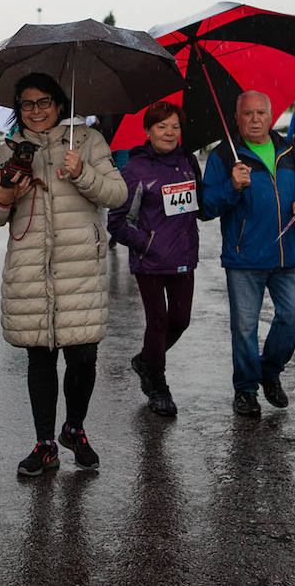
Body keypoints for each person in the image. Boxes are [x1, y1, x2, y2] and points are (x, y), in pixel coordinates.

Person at [0, 73, 127, 476]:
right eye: (27, 104)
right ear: (18, 109)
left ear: (59, 104)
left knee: (83, 356)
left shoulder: (88, 141)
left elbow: (117, 195)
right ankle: (44, 443)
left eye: (44, 102)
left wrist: (82, 172)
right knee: (40, 360)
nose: (37, 110)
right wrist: (8, 194)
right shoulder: (7, 150)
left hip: (80, 267)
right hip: (30, 269)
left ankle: (74, 429)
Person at [202, 90, 295, 418]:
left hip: (288, 253)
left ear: (272, 116)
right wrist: (232, 187)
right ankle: (246, 390)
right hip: (244, 257)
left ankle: (270, 370)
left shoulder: (290, 151)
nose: (255, 119)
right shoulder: (224, 156)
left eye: (261, 113)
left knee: (293, 315)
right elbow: (207, 207)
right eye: (248, 114)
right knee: (244, 327)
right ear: (236, 118)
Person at [106, 101, 201, 417]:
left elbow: (203, 207)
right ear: (148, 131)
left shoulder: (188, 161)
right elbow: (116, 221)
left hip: (183, 256)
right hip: (150, 260)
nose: (170, 132)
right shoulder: (135, 168)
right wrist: (145, 244)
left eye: (175, 126)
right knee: (157, 322)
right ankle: (157, 386)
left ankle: (146, 359)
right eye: (162, 126)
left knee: (181, 320)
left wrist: (233, 184)